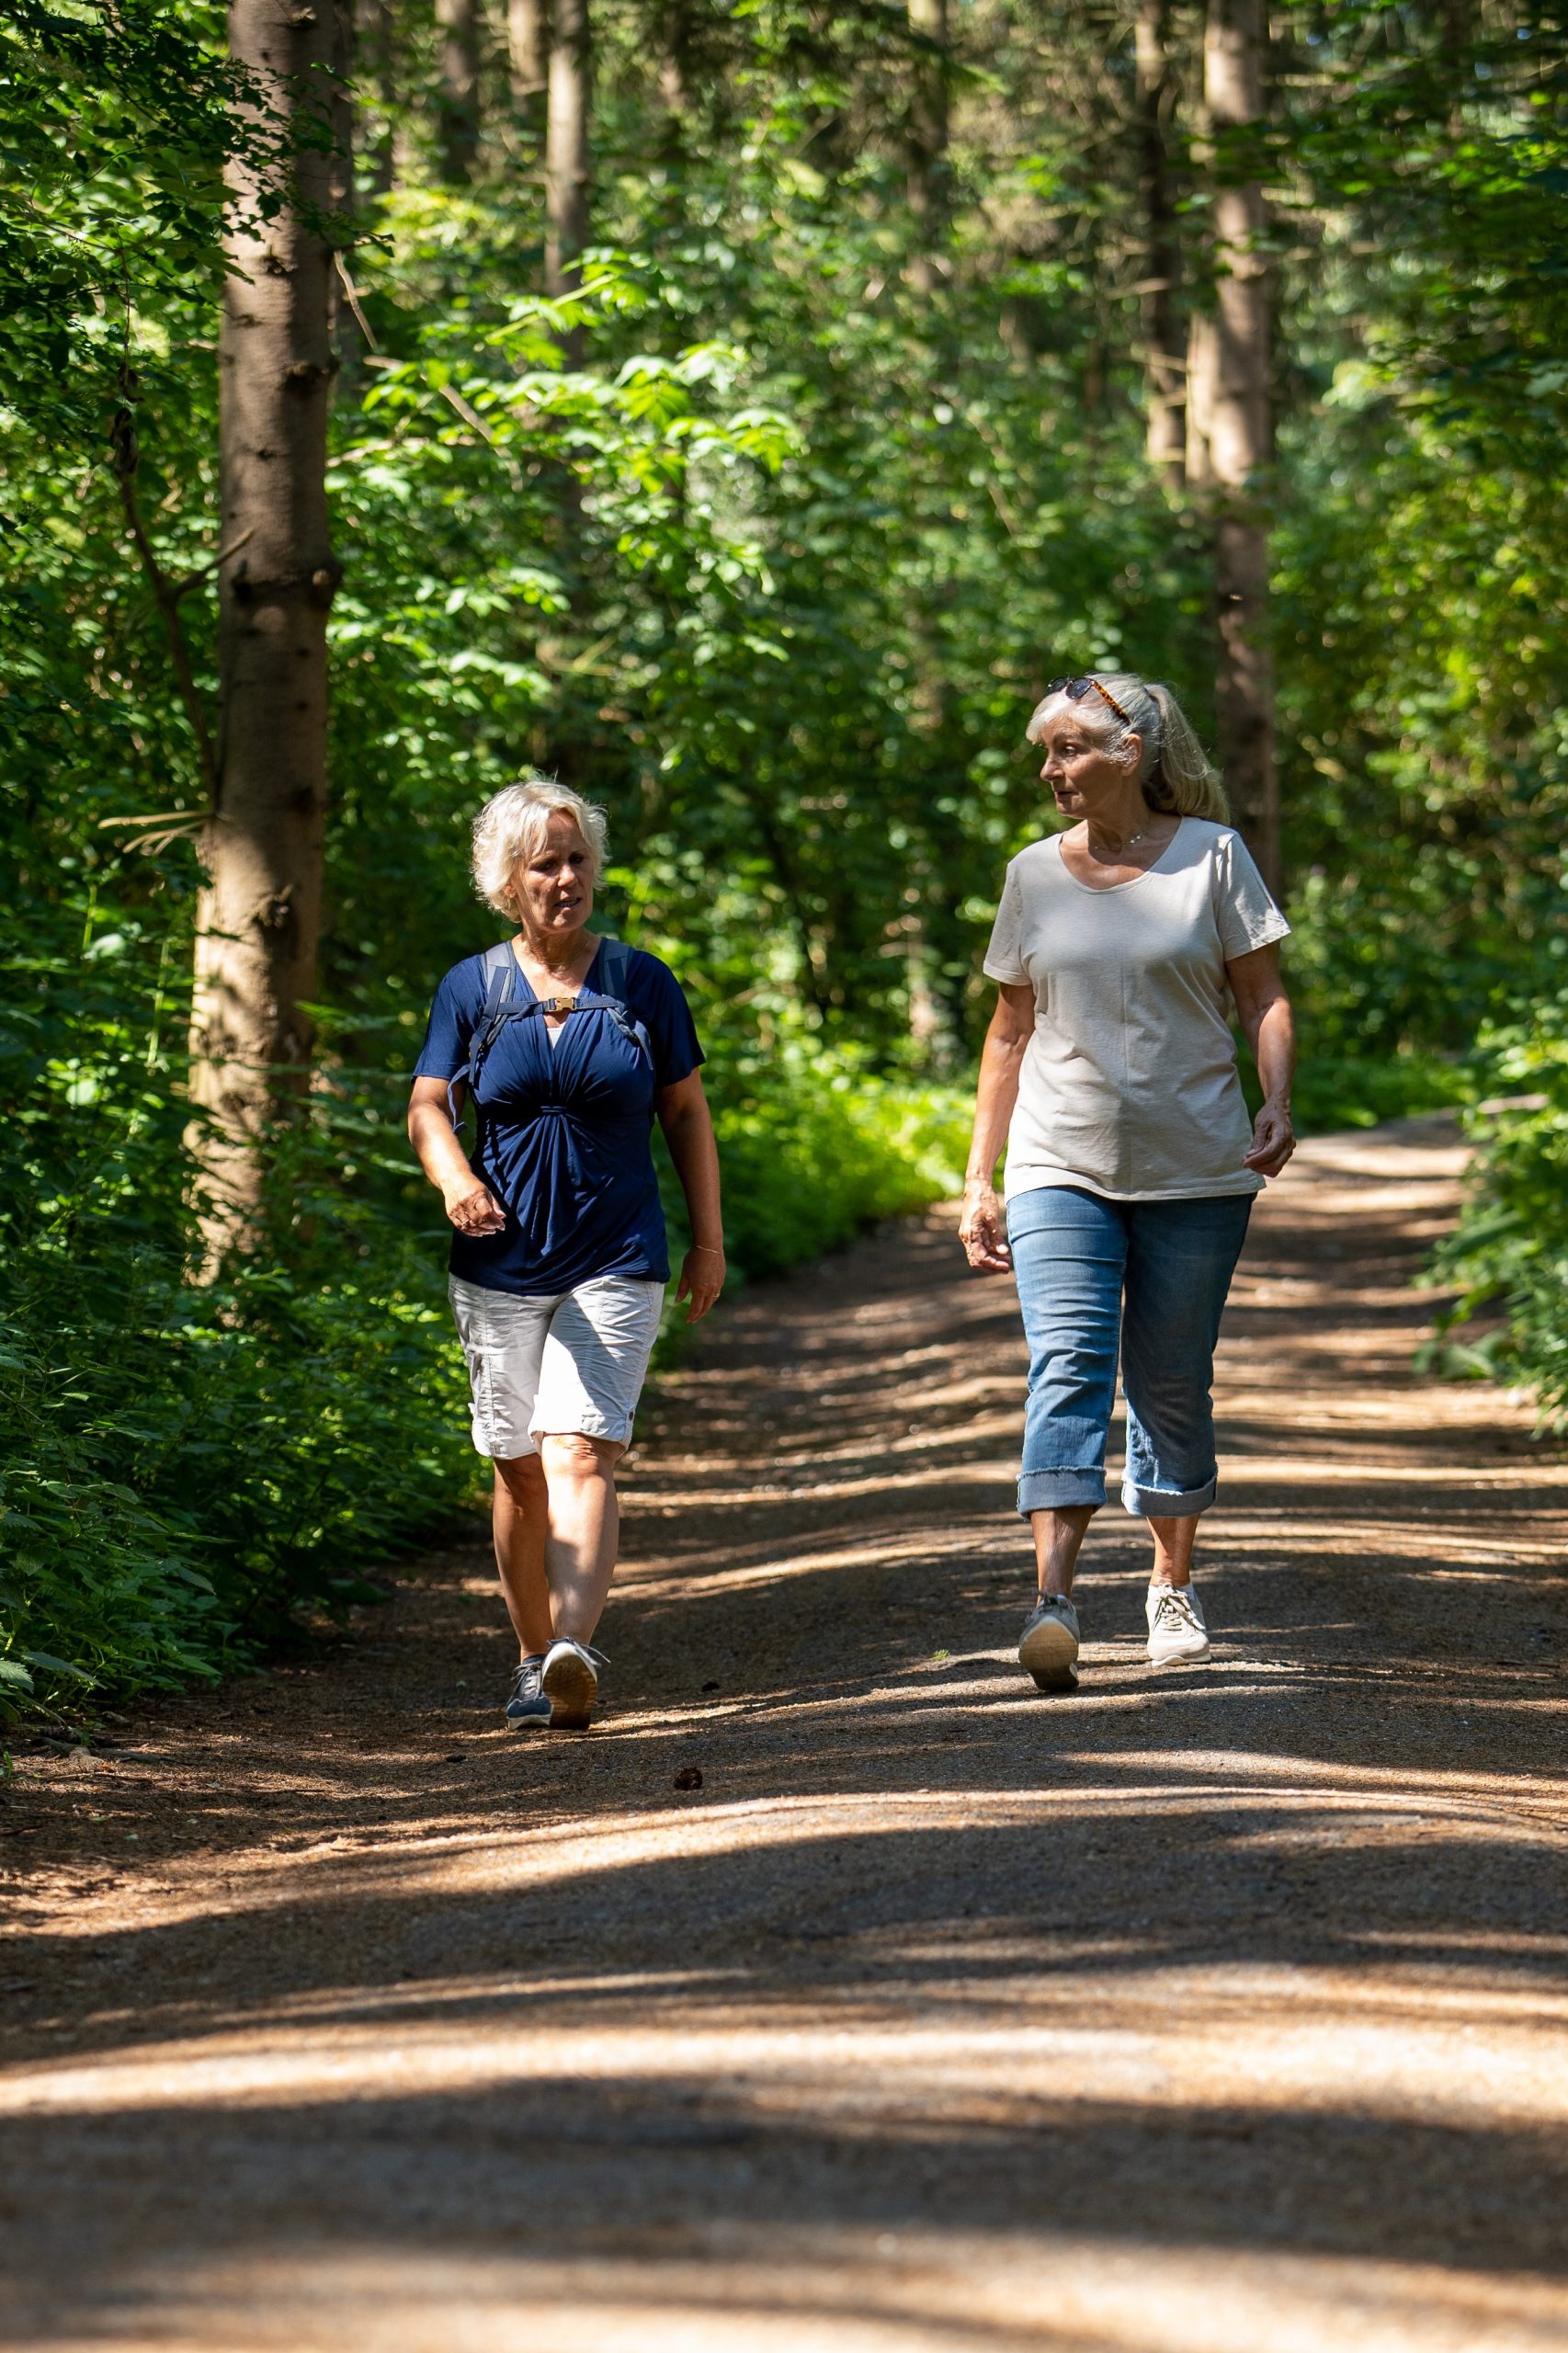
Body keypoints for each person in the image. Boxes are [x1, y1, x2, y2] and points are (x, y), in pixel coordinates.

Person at [960, 672, 1295, 1691]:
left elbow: (1261, 994)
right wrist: (979, 1176)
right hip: (1059, 1164)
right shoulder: (1031, 873)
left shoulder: (1212, 857)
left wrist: (1275, 1097)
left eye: (1066, 748)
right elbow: (1008, 1029)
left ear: (1131, 751)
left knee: (1167, 1380)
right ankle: (1052, 1601)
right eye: (1045, 751)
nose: (1048, 769)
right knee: (1063, 1361)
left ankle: (1167, 1581)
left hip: (1196, 1164)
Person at [407, 778, 724, 1732]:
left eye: (578, 857)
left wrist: (706, 1240)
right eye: (544, 862)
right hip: (498, 1260)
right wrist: (454, 1178)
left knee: (580, 1449)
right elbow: (428, 1105)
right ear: (509, 879)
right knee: (517, 1467)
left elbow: (686, 1112)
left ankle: (570, 1653)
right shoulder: (471, 987)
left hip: (615, 1253)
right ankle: (528, 1653)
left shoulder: (641, 982)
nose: (565, 877)